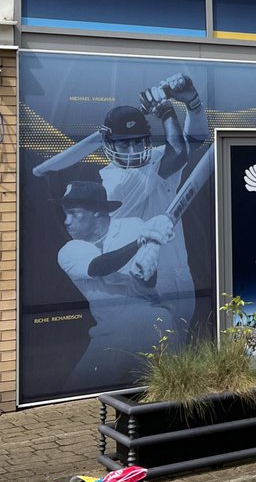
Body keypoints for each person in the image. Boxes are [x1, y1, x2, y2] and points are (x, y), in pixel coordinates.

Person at [35, 73, 210, 330]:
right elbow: (180, 152)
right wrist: (165, 110)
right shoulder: (114, 181)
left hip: (180, 273)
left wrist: (193, 103)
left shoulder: (157, 159)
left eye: (138, 142)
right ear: (109, 145)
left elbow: (193, 142)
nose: (133, 151)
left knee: (176, 348)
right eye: (124, 144)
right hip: (141, 278)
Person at [55, 181, 175, 390]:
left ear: (97, 211)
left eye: (73, 213)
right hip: (111, 331)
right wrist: (141, 242)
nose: (66, 221)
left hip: (153, 322)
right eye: (66, 214)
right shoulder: (68, 250)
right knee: (74, 392)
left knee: (165, 392)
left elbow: (149, 280)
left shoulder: (134, 226)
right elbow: (99, 267)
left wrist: (149, 254)